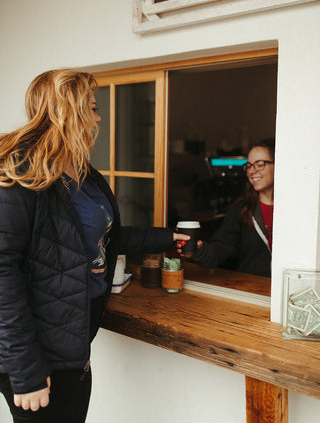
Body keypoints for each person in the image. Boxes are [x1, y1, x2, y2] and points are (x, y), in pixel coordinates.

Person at [0, 69, 189, 423]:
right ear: (67, 111)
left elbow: (106, 238)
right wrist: (25, 372)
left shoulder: (82, 173)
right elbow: (2, 277)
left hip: (70, 342)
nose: (98, 116)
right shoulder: (20, 172)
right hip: (36, 354)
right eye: (91, 107)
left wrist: (167, 238)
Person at [191, 139, 275, 277]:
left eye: (260, 164)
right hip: (253, 289)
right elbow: (220, 248)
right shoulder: (242, 209)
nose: (252, 171)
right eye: (248, 166)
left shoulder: (295, 208)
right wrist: (199, 250)